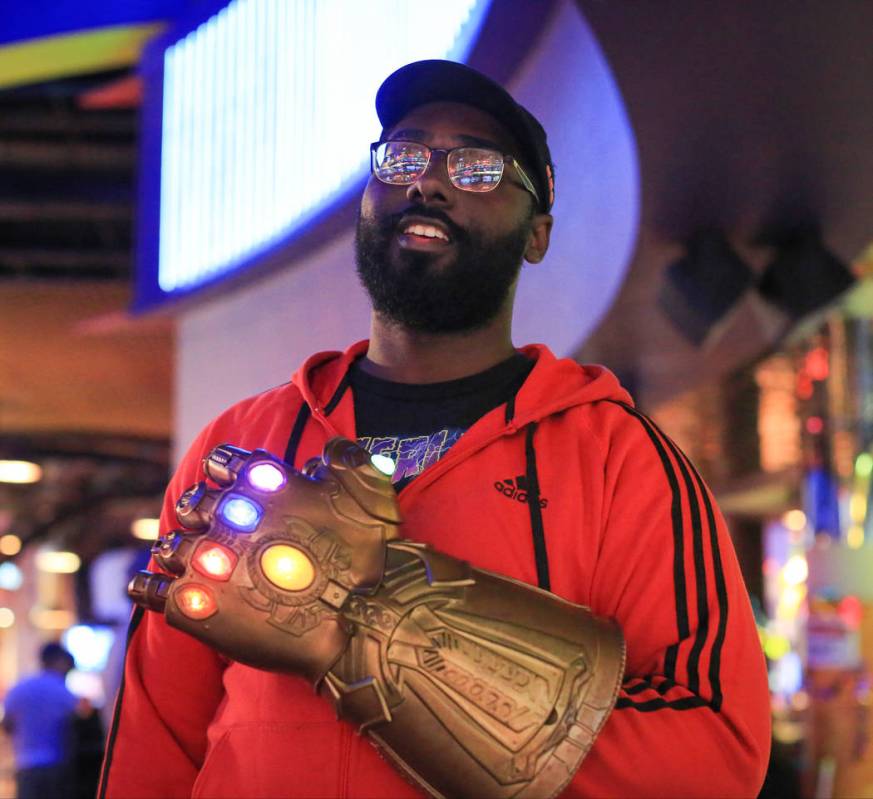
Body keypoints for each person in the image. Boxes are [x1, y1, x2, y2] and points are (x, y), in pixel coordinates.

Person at [99, 60, 771, 797]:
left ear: (536, 233)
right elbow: (153, 735)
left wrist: (369, 622)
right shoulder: (243, 438)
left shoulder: (619, 456)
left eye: (479, 167)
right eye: (404, 156)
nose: (427, 181)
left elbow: (713, 747)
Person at [3, 642, 78, 799]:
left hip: (25, 765)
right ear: (59, 661)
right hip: (57, 766)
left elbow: (7, 724)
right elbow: (75, 728)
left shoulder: (20, 688)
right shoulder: (63, 691)